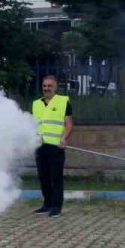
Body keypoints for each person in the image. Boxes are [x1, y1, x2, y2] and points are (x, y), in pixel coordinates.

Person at [31, 75, 74, 217]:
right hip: (40, 146)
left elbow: (68, 124)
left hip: (56, 146)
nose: (47, 88)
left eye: (50, 86)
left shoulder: (63, 101)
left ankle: (56, 206)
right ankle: (47, 204)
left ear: (55, 87)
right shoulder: (36, 104)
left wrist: (64, 138)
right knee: (43, 176)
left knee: (55, 177)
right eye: (44, 86)